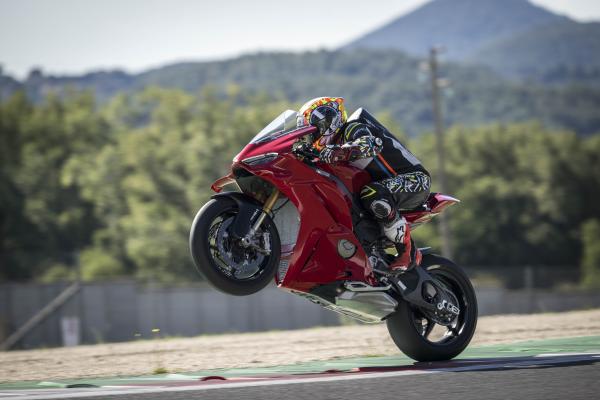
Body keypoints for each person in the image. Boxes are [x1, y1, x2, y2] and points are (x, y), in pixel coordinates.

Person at [296, 97, 431, 272]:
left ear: (328, 121)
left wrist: (337, 152)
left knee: (373, 194)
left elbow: (370, 145)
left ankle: (407, 250)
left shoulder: (353, 127)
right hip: (382, 184)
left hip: (415, 179)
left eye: (313, 129)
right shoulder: (326, 150)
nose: (311, 136)